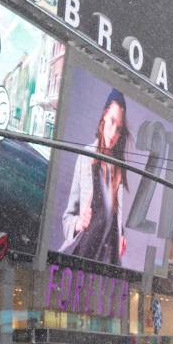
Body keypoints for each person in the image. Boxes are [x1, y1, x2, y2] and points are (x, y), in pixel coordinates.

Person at [59, 89, 130, 265]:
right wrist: (78, 223)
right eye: (112, 121)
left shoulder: (118, 169)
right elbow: (67, 218)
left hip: (105, 265)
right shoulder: (85, 157)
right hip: (80, 257)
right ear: (104, 116)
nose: (113, 133)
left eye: (119, 128)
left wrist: (121, 236)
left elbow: (112, 218)